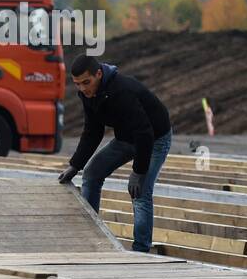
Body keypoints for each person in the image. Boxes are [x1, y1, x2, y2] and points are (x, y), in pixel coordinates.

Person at [57, 54, 173, 253]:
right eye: (77, 84)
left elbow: (144, 132)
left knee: (140, 192)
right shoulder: (87, 95)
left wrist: (138, 171)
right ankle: (90, 237)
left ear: (99, 74)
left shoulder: (122, 91)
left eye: (87, 82)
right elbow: (92, 132)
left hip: (154, 138)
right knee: (92, 173)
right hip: (127, 137)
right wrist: (75, 165)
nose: (83, 89)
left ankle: (141, 251)